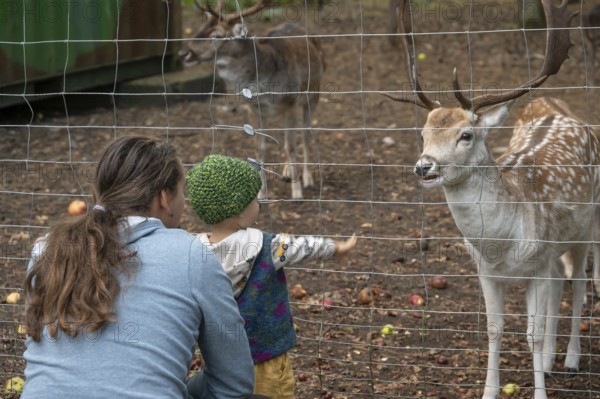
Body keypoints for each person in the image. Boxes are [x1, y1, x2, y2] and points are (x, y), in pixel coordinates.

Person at [22, 137, 255, 399]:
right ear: (164, 197)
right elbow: (234, 383)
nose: (184, 202)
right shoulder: (192, 255)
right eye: (182, 191)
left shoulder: (45, 248)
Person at [186, 154, 357, 399]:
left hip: (220, 362)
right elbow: (304, 246)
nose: (259, 204)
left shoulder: (194, 253)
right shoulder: (266, 246)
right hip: (267, 357)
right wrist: (337, 248)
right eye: (254, 199)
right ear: (238, 210)